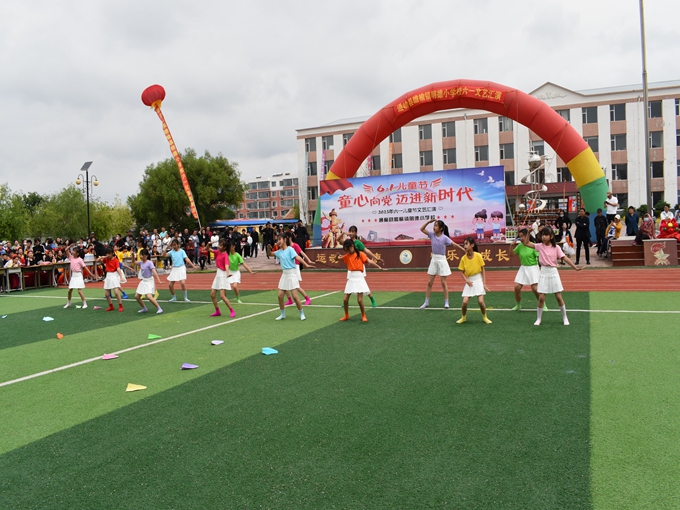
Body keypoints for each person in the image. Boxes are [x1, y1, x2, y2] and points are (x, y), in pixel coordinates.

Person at [523, 226, 582, 326]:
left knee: (558, 296)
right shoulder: (540, 246)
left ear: (551, 236)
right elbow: (526, 243)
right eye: (543, 235)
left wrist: (575, 267)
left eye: (546, 235)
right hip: (543, 272)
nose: (544, 237)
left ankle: (565, 317)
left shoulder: (556, 247)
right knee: (541, 297)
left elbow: (565, 258)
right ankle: (538, 319)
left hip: (553, 272)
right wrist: (528, 233)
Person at [419, 218, 463, 309]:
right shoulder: (431, 235)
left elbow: (454, 244)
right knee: (429, 282)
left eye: (436, 226)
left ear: (441, 228)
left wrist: (463, 250)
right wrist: (429, 222)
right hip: (434, 259)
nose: (434, 227)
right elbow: (422, 229)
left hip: (442, 259)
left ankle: (446, 302)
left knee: (443, 282)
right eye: (434, 225)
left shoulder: (445, 238)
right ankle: (426, 302)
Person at [339, 238, 386, 322]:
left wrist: (379, 267)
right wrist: (336, 256)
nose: (348, 251)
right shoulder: (347, 256)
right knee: (345, 299)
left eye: (348, 249)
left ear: (352, 246)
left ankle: (363, 315)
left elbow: (369, 261)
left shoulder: (360, 254)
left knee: (359, 300)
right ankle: (346, 315)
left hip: (359, 278)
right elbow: (338, 259)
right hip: (351, 278)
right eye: (346, 250)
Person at [273, 233, 314, 321]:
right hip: (284, 275)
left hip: (292, 274)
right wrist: (269, 247)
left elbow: (298, 257)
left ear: (284, 240)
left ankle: (302, 313)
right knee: (280, 296)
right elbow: (271, 254)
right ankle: (282, 314)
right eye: (277, 240)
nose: (278, 241)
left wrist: (306, 264)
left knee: (295, 296)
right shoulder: (279, 252)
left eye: (279, 239)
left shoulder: (290, 249)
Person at [342, 226, 383, 307]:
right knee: (350, 284)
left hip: (359, 267)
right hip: (351, 267)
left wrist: (376, 258)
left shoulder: (358, 243)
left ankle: (372, 299)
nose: (351, 233)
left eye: (353, 232)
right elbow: (339, 240)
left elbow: (366, 251)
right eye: (350, 231)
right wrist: (343, 233)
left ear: (356, 233)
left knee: (362, 285)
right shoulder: (348, 242)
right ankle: (346, 301)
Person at [456, 237, 492, 324]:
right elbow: (461, 272)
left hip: (478, 279)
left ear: (472, 245)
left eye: (466, 244)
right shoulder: (463, 258)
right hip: (469, 281)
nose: (464, 246)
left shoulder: (478, 256)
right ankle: (463, 317)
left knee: (480, 301)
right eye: (464, 244)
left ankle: (485, 317)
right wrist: (467, 281)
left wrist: (484, 283)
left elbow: (482, 269)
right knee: (464, 302)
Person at [510, 228, 544, 311]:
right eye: (520, 236)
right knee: (517, 287)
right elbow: (511, 254)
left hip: (533, 268)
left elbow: (539, 257)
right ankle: (518, 305)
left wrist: (541, 268)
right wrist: (511, 246)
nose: (521, 238)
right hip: (523, 268)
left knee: (535, 288)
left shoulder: (533, 246)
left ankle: (543, 304)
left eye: (523, 236)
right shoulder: (519, 246)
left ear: (527, 236)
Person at [283, 232, 313, 307]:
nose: (284, 239)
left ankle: (307, 299)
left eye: (285, 238)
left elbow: (302, 253)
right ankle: (290, 300)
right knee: (284, 285)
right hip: (288, 268)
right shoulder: (286, 247)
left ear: (289, 238)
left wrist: (308, 260)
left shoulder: (295, 245)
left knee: (296, 286)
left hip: (295, 267)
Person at [210, 239, 235, 318]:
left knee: (222, 296)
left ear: (224, 247)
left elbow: (226, 265)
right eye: (219, 244)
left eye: (220, 245)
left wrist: (228, 273)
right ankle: (217, 311)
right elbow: (208, 249)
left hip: (223, 275)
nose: (218, 246)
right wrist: (208, 244)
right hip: (218, 274)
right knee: (212, 294)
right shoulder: (217, 252)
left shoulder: (225, 255)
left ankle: (232, 310)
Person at [132, 249, 163, 314]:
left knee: (149, 297)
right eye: (140, 255)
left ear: (146, 256)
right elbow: (134, 262)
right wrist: (132, 255)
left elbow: (154, 271)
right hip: (143, 281)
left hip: (149, 281)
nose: (141, 256)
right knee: (137, 296)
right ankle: (144, 308)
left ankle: (159, 308)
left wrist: (159, 280)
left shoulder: (149, 262)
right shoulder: (141, 263)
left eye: (142, 255)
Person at [101, 247, 125, 312]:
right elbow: (98, 260)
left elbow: (118, 268)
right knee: (106, 294)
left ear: (112, 253)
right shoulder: (106, 259)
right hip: (108, 275)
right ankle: (111, 306)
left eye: (109, 254)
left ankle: (120, 306)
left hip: (114, 275)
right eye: (106, 254)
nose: (108, 255)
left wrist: (121, 276)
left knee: (116, 292)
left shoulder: (115, 260)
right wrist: (102, 257)